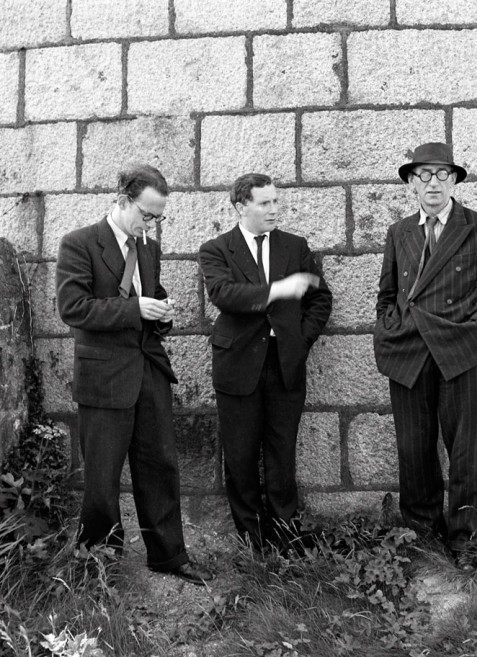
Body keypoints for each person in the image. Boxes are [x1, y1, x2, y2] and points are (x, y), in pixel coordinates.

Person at [56, 164, 211, 584]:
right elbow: (73, 309)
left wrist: (159, 313)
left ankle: (168, 556)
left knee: (160, 465)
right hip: (104, 379)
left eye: (159, 217)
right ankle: (98, 564)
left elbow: (149, 299)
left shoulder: (148, 249)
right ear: (123, 201)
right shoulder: (80, 244)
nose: (152, 224)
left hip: (148, 371)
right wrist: (136, 309)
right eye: (147, 214)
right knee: (103, 476)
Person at [373, 143, 477, 571]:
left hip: (460, 353)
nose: (432, 183)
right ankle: (421, 533)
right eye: (423, 175)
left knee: (464, 451)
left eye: (441, 174)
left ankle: (463, 539)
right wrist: (389, 327)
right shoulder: (400, 232)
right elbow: (386, 297)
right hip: (409, 353)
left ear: (454, 180)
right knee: (413, 449)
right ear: (411, 183)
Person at [199, 173, 332, 551]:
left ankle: (286, 536)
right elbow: (224, 294)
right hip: (238, 365)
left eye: (276, 201)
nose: (274, 209)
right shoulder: (216, 249)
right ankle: (251, 541)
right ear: (242, 207)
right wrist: (279, 290)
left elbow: (321, 299)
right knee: (239, 456)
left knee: (281, 452)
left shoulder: (294, 246)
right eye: (264, 203)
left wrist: (299, 340)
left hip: (284, 363)